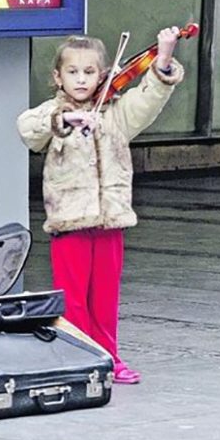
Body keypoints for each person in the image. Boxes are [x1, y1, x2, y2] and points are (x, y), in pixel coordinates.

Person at [16, 27, 184, 385]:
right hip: (69, 220)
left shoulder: (115, 115)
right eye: (73, 72)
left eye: (90, 72)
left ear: (102, 75)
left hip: (111, 219)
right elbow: (28, 129)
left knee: (105, 297)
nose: (81, 79)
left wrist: (164, 60)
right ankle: (78, 357)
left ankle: (108, 356)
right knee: (73, 298)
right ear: (57, 77)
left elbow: (148, 99)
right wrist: (65, 119)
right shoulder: (53, 113)